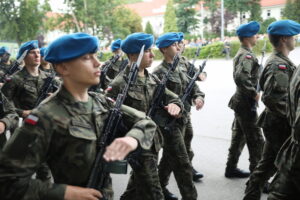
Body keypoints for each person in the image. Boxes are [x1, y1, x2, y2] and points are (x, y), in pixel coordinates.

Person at [0, 32, 157, 200]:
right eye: (87, 58)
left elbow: (146, 122)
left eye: (95, 56)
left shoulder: (100, 102)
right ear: (63, 68)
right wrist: (64, 192)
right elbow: (7, 181)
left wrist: (131, 139)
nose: (98, 63)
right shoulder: (44, 117)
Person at [106, 32, 182, 200]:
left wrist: (175, 105)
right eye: (148, 50)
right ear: (134, 54)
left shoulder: (151, 78)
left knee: (135, 188)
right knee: (154, 193)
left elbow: (173, 97)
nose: (152, 54)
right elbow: (109, 113)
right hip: (137, 146)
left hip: (153, 141)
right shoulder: (119, 83)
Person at [243, 20, 300, 200]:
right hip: (279, 124)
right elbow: (272, 98)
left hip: (277, 123)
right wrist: (293, 118)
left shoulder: (282, 61)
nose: (295, 39)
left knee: (267, 165)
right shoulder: (278, 65)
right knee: (280, 167)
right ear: (284, 39)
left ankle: (251, 195)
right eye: (293, 36)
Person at [153, 32, 205, 200]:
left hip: (184, 118)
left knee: (171, 156)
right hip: (169, 123)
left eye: (178, 44)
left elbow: (192, 85)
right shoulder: (159, 72)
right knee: (182, 162)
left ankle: (160, 188)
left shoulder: (180, 65)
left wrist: (198, 97)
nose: (179, 46)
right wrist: (169, 107)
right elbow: (156, 101)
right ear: (164, 49)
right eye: (174, 45)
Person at [226, 21, 264, 178]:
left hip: (241, 102)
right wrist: (253, 93)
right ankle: (258, 179)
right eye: (255, 35)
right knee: (256, 141)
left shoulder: (244, 53)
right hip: (246, 103)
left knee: (239, 137)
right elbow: (241, 77)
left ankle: (231, 168)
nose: (257, 37)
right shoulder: (246, 55)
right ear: (248, 37)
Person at [1, 40, 59, 118]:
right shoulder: (15, 79)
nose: (37, 55)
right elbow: (3, 104)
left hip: (47, 122)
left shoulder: (49, 78)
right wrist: (22, 112)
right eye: (32, 52)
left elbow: (66, 97)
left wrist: (55, 97)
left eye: (38, 52)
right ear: (24, 56)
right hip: (23, 123)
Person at [177, 32, 206, 182]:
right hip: (174, 114)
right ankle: (183, 171)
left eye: (182, 43)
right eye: (178, 43)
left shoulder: (184, 61)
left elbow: (197, 77)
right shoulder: (168, 67)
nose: (181, 45)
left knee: (187, 137)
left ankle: (187, 167)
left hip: (186, 109)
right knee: (176, 147)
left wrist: (198, 96)